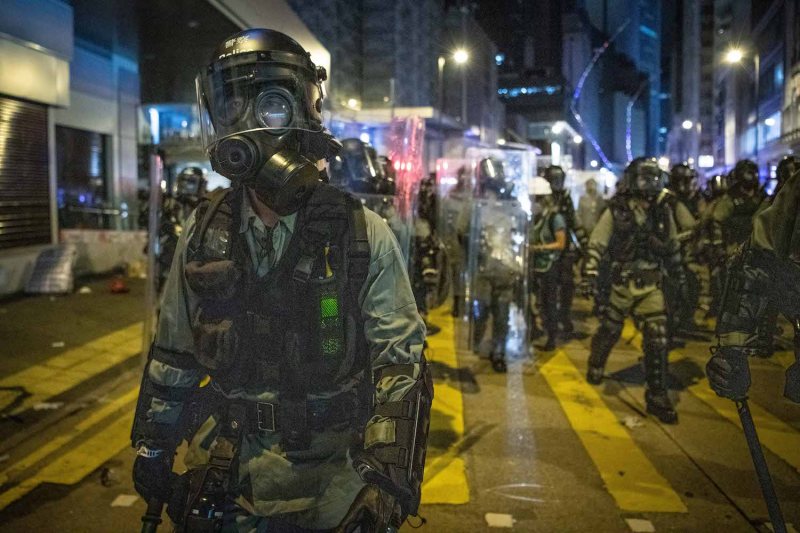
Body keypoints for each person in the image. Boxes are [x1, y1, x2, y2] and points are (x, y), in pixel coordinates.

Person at [130, 29, 432, 532]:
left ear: (303, 111)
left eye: (267, 105)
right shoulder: (204, 232)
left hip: (335, 482)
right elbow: (175, 350)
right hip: (230, 474)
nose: (246, 126)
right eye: (231, 108)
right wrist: (155, 446)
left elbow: (399, 363)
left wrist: (387, 481)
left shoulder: (359, 232)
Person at [582, 157, 681, 424]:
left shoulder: (663, 210)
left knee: (657, 335)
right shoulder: (617, 209)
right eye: (644, 178)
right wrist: (590, 271)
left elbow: (671, 246)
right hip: (622, 283)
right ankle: (596, 362)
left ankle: (657, 395)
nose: (650, 184)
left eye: (653, 178)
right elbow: (598, 241)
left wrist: (679, 274)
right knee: (611, 329)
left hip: (650, 283)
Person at [706, 168, 800, 405]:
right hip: (731, 250)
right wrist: (732, 348)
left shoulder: (760, 199)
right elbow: (759, 260)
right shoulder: (728, 203)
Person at [470, 157, 526, 372]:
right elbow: (462, 229)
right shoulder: (476, 203)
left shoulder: (510, 203)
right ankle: (479, 344)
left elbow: (521, 226)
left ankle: (498, 352)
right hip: (484, 269)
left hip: (504, 269)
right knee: (482, 312)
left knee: (502, 315)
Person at [544, 165, 587, 336]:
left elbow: (574, 221)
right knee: (548, 291)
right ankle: (549, 320)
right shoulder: (541, 197)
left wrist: (585, 244)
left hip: (563, 250)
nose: (557, 183)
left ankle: (563, 315)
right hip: (545, 251)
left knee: (567, 286)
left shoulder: (565, 199)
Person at [528, 177, 567, 351]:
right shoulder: (533, 218)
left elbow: (561, 243)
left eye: (536, 199)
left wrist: (540, 248)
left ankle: (551, 336)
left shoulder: (555, 218)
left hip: (549, 266)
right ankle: (534, 329)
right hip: (534, 265)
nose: (534, 202)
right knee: (531, 300)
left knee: (548, 302)